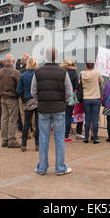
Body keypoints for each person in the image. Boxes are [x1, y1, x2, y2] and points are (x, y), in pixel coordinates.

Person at [31, 47, 73, 176]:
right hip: (59, 108)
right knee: (59, 139)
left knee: (43, 138)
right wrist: (62, 101)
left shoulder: (38, 72)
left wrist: (41, 100)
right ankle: (60, 168)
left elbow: (33, 92)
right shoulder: (63, 72)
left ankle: (42, 168)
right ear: (57, 57)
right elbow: (69, 92)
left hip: (43, 109)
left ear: (45, 56)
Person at [0, 55, 21, 148]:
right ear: (13, 62)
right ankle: (12, 140)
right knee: (13, 118)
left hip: (2, 98)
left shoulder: (0, 72)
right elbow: (19, 86)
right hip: (12, 97)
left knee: (4, 118)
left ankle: (4, 139)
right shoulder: (16, 72)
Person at [16, 57, 39, 152]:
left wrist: (23, 97)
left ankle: (24, 144)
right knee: (38, 123)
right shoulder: (38, 75)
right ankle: (37, 144)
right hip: (37, 100)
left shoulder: (23, 75)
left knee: (26, 122)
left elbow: (18, 90)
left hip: (27, 100)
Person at [80, 61, 104, 144]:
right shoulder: (96, 73)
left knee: (87, 118)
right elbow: (102, 81)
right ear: (93, 65)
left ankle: (86, 137)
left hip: (86, 98)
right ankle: (95, 138)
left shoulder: (82, 74)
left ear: (86, 65)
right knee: (95, 118)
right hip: (95, 97)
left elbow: (80, 83)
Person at [60, 57, 78, 142]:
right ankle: (65, 136)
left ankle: (59, 134)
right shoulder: (74, 73)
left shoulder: (61, 71)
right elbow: (76, 86)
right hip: (70, 96)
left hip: (60, 96)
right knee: (68, 116)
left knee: (60, 116)